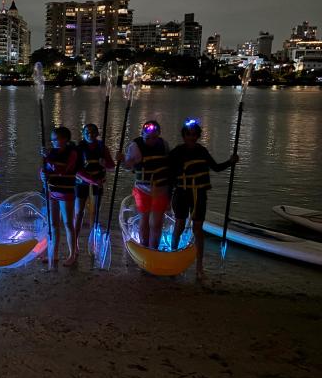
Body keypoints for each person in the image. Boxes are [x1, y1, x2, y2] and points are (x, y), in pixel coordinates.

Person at [169, 119, 238, 280]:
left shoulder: (202, 151)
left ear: (198, 136)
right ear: (184, 136)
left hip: (199, 194)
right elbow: (169, 174)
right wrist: (167, 195)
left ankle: (199, 268)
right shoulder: (177, 152)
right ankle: (173, 260)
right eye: (188, 135)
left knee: (198, 230)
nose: (191, 138)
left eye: (194, 135)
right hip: (181, 193)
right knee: (179, 225)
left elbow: (216, 168)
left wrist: (230, 162)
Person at [119, 120, 170, 250]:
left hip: (161, 188)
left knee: (157, 223)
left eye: (154, 138)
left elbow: (169, 166)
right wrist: (122, 161)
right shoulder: (135, 146)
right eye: (148, 138)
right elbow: (128, 166)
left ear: (159, 134)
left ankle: (154, 249)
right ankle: (144, 246)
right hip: (143, 189)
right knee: (145, 218)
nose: (151, 141)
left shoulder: (164, 145)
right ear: (142, 134)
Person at [40, 127, 78, 267]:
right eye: (52, 139)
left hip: (66, 191)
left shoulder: (72, 153)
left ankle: (72, 254)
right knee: (53, 224)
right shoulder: (50, 153)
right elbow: (46, 170)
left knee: (68, 223)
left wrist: (48, 158)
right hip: (52, 191)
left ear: (65, 139)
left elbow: (63, 170)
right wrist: (42, 175)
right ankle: (54, 254)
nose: (53, 142)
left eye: (56, 139)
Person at [74, 124, 115, 246]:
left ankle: (92, 240)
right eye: (87, 132)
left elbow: (112, 167)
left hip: (98, 184)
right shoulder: (79, 148)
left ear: (97, 134)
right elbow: (76, 170)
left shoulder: (102, 148)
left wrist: (105, 163)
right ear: (83, 133)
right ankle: (75, 239)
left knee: (95, 212)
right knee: (79, 212)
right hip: (82, 184)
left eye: (93, 132)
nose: (90, 134)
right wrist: (92, 180)